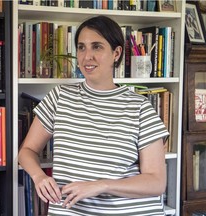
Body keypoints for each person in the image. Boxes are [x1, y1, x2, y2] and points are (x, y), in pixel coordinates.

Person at [18, 15, 169, 215]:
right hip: (72, 210)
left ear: (116, 53)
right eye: (81, 47)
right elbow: (26, 151)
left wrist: (102, 185)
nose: (87, 56)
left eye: (97, 47)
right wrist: (39, 177)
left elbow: (156, 182)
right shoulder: (59, 97)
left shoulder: (140, 107)